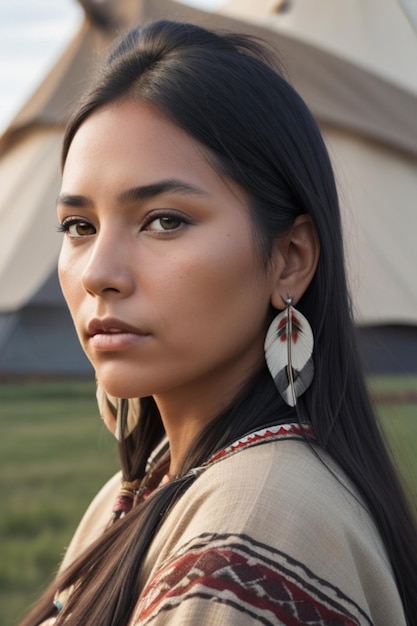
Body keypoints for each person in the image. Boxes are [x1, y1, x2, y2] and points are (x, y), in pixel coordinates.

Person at [20, 19, 417, 626]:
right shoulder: (139, 488)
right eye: (79, 226)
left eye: (165, 220)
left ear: (290, 259)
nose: (99, 272)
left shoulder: (256, 528)